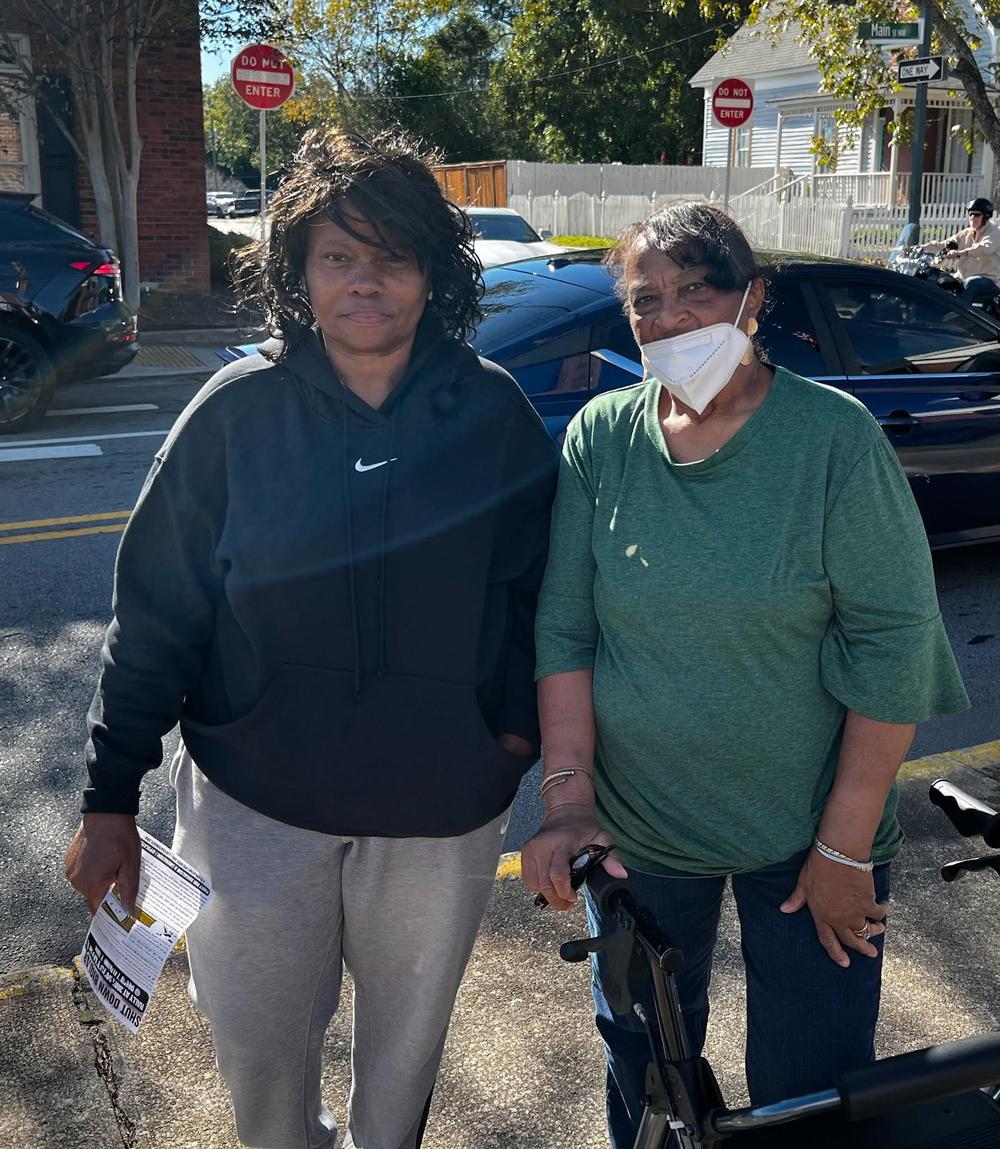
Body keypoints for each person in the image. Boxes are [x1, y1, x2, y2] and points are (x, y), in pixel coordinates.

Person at [64, 127, 558, 1149]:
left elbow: (541, 603)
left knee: (404, 1062)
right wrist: (110, 794)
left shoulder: (493, 415)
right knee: (256, 1046)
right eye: (338, 257)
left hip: (439, 809)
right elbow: (156, 612)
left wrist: (506, 739)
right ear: (300, 272)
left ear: (433, 274)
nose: (364, 282)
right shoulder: (235, 412)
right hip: (256, 802)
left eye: (393, 257)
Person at [521, 201, 969, 1146]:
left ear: (754, 300)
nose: (672, 318)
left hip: (813, 844)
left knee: (805, 1096)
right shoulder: (602, 437)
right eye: (648, 301)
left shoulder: (832, 440)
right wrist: (567, 799)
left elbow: (893, 645)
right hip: (640, 840)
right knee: (647, 1080)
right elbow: (565, 627)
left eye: (699, 291)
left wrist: (846, 848)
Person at [921, 196, 1000, 304]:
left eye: (976, 214)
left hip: (988, 280)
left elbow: (984, 248)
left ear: (986, 216)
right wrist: (920, 248)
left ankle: (961, 319)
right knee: (939, 280)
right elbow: (945, 244)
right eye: (970, 214)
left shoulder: (994, 233)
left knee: (972, 283)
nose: (972, 217)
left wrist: (961, 252)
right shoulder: (966, 233)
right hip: (962, 278)